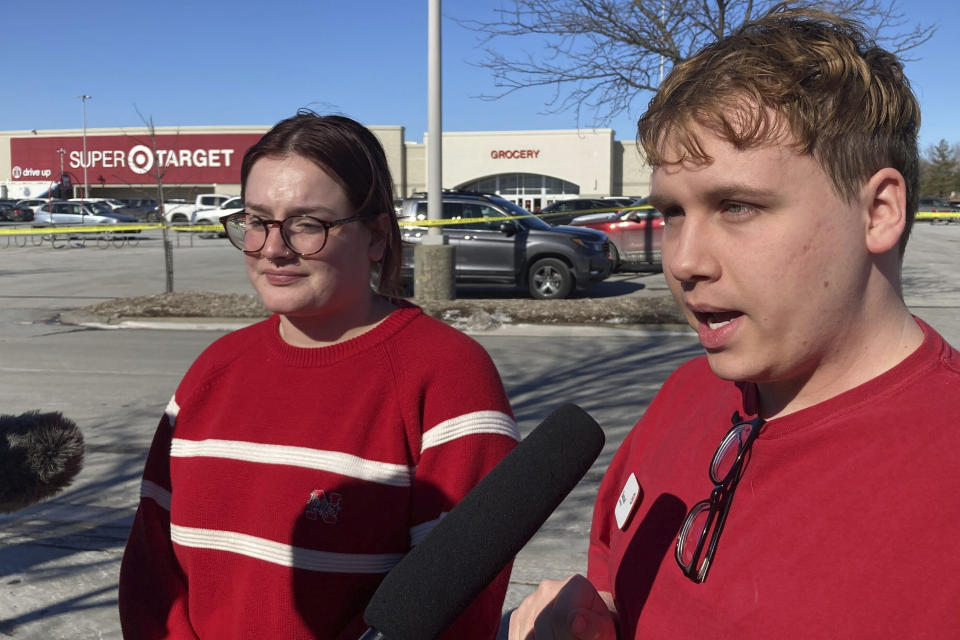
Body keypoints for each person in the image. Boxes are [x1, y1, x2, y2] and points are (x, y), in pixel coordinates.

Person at [510, 6, 960, 639]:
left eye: (738, 206)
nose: (685, 261)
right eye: (671, 212)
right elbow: (619, 592)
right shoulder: (683, 397)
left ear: (879, 211)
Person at [119, 111, 520, 639]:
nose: (274, 248)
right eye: (257, 221)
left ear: (377, 236)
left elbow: (450, 604)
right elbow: (152, 567)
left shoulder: (448, 377)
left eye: (308, 223)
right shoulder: (213, 371)